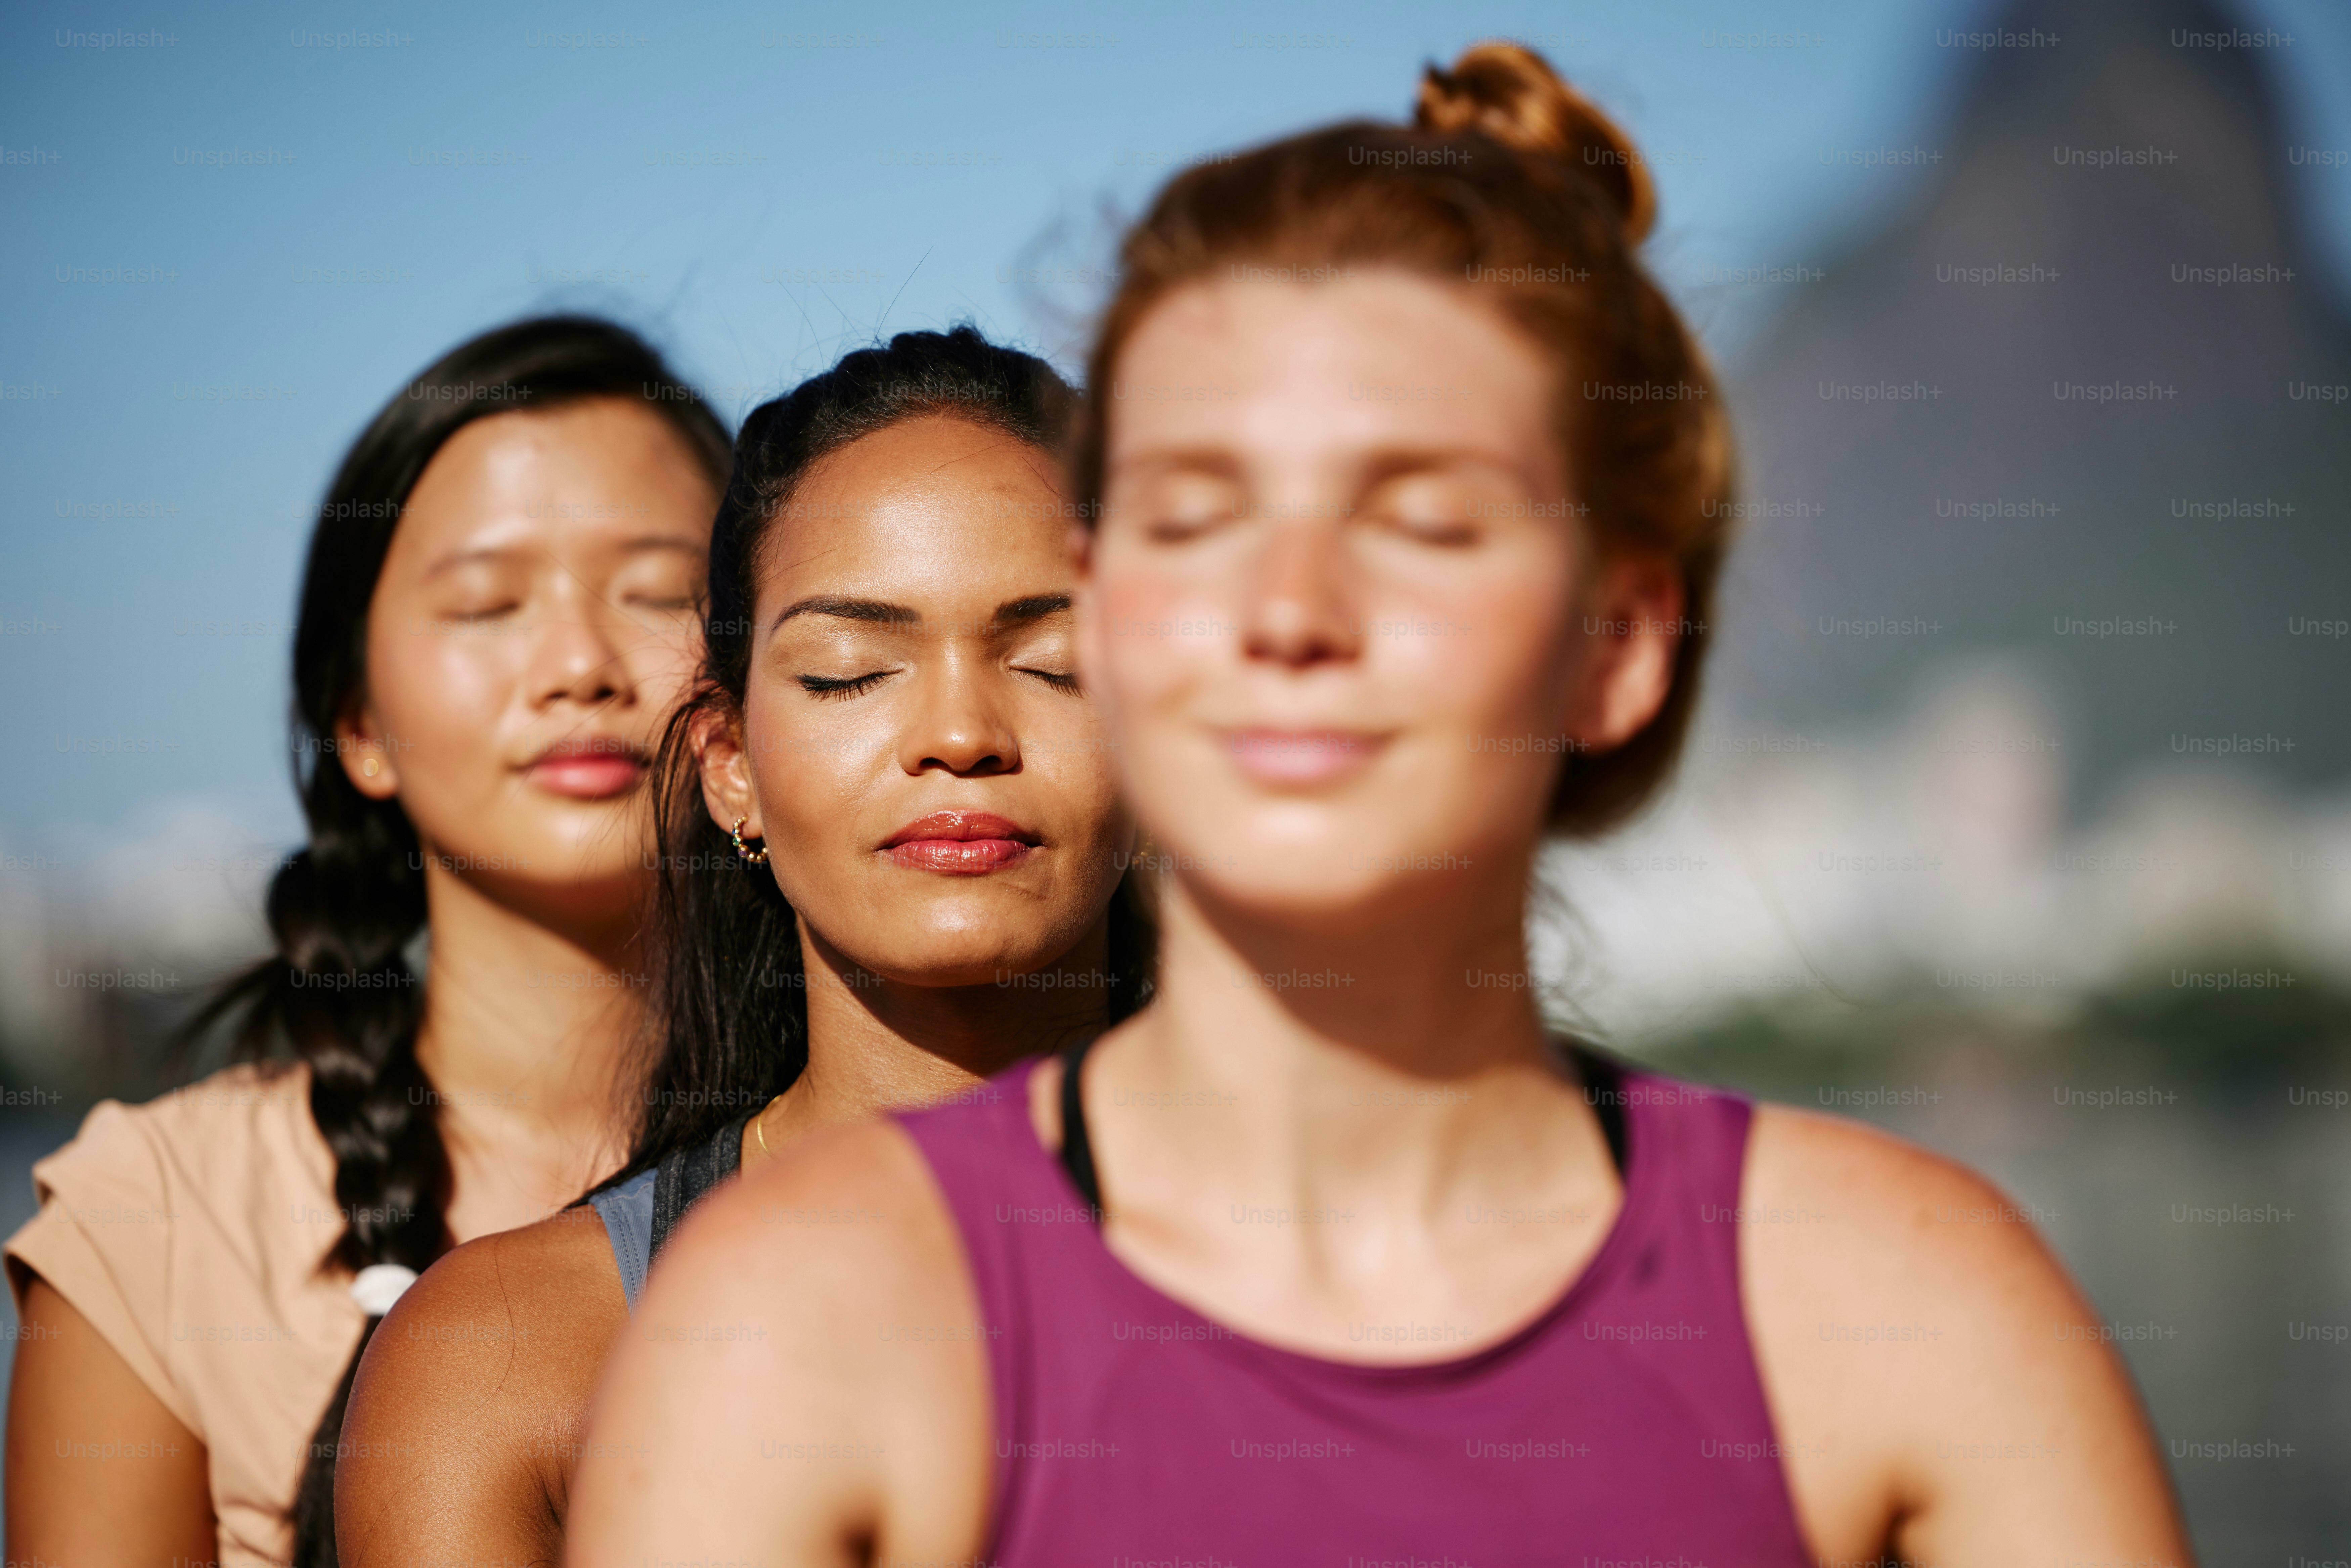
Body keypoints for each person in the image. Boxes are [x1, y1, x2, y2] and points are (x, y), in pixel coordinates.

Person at [566, 42, 2193, 1567]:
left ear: (1614, 644)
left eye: (1415, 518)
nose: (1289, 609)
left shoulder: (1905, 1313)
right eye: (1193, 511)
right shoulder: (793, 1326)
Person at [332, 326, 1148, 1567]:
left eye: (1054, 661)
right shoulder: (509, 1356)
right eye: (849, 673)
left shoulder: (1415, 1257)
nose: (961, 735)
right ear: (729, 773)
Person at [4, 316, 731, 1568]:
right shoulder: (161, 1227)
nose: (577, 664)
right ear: (360, 726)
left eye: (662, 591)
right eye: (489, 603)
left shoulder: (908, 1147)